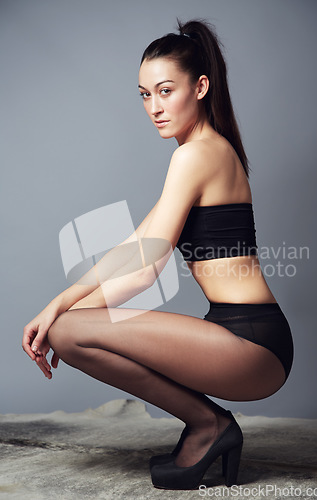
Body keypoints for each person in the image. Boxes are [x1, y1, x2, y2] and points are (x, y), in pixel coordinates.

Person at [22, 19, 294, 490]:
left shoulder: (197, 155)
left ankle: (211, 425)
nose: (154, 107)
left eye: (166, 91)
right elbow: (133, 249)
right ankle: (210, 426)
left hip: (253, 343)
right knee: (67, 330)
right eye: (145, 95)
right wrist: (59, 308)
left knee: (69, 331)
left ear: (201, 87)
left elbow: (146, 270)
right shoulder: (204, 152)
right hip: (238, 333)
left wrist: (63, 319)